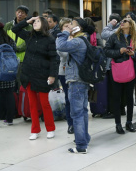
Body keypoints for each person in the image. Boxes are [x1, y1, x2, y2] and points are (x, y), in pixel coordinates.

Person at [12, 16, 59, 140]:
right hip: (28, 75)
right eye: (34, 22)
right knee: (32, 104)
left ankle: (50, 128)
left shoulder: (49, 39)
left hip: (43, 75)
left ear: (43, 24)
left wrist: (52, 75)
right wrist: (27, 21)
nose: (34, 23)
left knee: (44, 104)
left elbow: (54, 59)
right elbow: (15, 29)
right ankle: (35, 130)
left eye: (37, 21)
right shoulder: (29, 36)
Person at [55, 18, 91, 154]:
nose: (70, 26)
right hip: (81, 80)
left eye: (72, 24)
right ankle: (85, 139)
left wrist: (64, 32)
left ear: (79, 28)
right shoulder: (83, 40)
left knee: (76, 113)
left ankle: (81, 145)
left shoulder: (78, 41)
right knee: (82, 112)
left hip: (76, 81)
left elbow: (60, 46)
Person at [104, 17, 136, 134]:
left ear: (130, 25)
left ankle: (129, 122)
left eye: (125, 21)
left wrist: (134, 54)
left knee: (129, 98)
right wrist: (119, 52)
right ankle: (118, 124)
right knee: (116, 98)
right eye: (121, 21)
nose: (122, 23)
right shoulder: (114, 37)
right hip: (116, 71)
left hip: (130, 71)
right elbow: (106, 51)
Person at [4, 5, 32, 88]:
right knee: (10, 80)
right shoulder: (8, 25)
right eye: (18, 12)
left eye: (22, 13)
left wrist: (17, 48)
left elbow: (28, 41)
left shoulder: (29, 27)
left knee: (20, 81)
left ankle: (21, 99)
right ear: (16, 13)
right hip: (9, 57)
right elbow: (4, 37)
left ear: (26, 15)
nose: (20, 14)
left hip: (22, 58)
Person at [55, 18, 74, 134]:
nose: (68, 28)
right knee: (68, 98)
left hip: (77, 72)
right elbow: (64, 54)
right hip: (64, 72)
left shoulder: (77, 37)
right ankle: (70, 124)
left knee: (75, 99)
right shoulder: (60, 39)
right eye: (65, 26)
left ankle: (77, 122)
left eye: (69, 26)